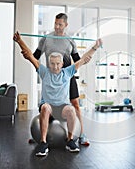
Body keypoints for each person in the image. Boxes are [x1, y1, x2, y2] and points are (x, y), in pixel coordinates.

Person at [13, 31, 102, 156]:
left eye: (57, 64)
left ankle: (70, 141)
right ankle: (43, 143)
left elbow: (83, 59)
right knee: (45, 107)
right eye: (52, 64)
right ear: (49, 64)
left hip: (62, 108)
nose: (55, 67)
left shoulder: (67, 72)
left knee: (71, 109)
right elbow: (29, 56)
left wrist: (95, 47)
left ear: (62, 64)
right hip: (48, 107)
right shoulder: (44, 71)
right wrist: (19, 41)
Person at [33, 13, 90, 146]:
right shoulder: (46, 39)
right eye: (55, 24)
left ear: (66, 25)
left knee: (75, 105)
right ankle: (40, 135)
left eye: (60, 24)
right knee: (46, 106)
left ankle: (81, 134)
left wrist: (89, 54)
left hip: (67, 76)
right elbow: (35, 56)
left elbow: (77, 60)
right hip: (51, 78)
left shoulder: (70, 41)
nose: (57, 27)